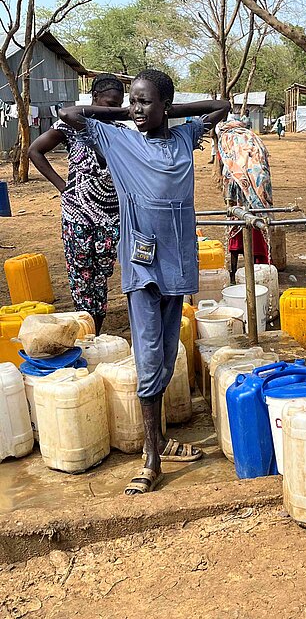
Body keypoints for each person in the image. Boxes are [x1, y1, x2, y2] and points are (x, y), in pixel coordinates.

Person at [58, 69, 230, 495]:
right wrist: (124, 112)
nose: (136, 109)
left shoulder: (183, 138)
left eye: (144, 102)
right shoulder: (118, 139)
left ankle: (159, 440)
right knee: (151, 355)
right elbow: (69, 112)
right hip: (142, 267)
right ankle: (151, 459)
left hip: (178, 263)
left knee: (167, 354)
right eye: (132, 101)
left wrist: (170, 112)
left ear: (165, 106)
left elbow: (220, 107)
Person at [28, 74, 125, 335]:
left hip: (111, 218)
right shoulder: (69, 127)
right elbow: (35, 151)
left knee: (102, 276)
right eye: (108, 104)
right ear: (94, 100)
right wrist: (63, 187)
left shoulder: (121, 132)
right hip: (77, 218)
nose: (112, 110)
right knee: (82, 279)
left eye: (118, 105)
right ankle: (87, 334)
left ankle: (96, 326)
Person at [216, 118, 273, 281]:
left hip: (238, 186)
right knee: (257, 224)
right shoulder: (252, 136)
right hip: (259, 185)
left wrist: (228, 191)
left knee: (238, 222)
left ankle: (234, 272)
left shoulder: (226, 138)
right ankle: (261, 273)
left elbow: (228, 167)